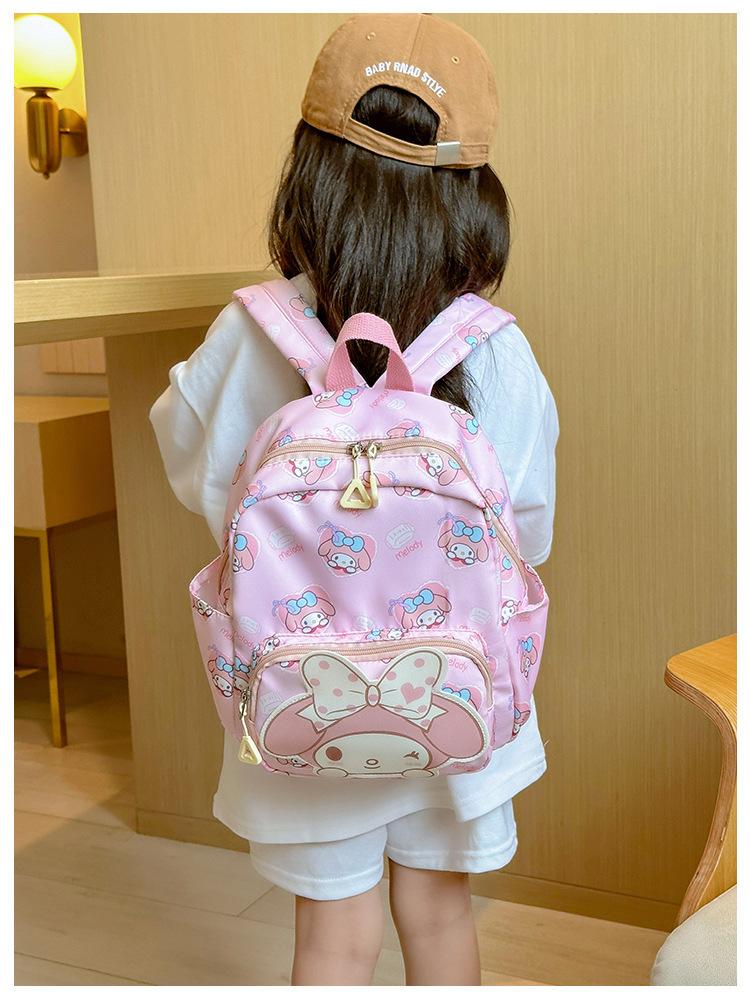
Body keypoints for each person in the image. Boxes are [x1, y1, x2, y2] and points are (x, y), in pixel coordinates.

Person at [150, 12, 558, 987]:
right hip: (458, 693)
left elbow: (193, 469)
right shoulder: (492, 347)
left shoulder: (252, 331)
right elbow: (529, 527)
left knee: (332, 941)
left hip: (299, 698)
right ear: (473, 194)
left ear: (310, 172)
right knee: (441, 913)